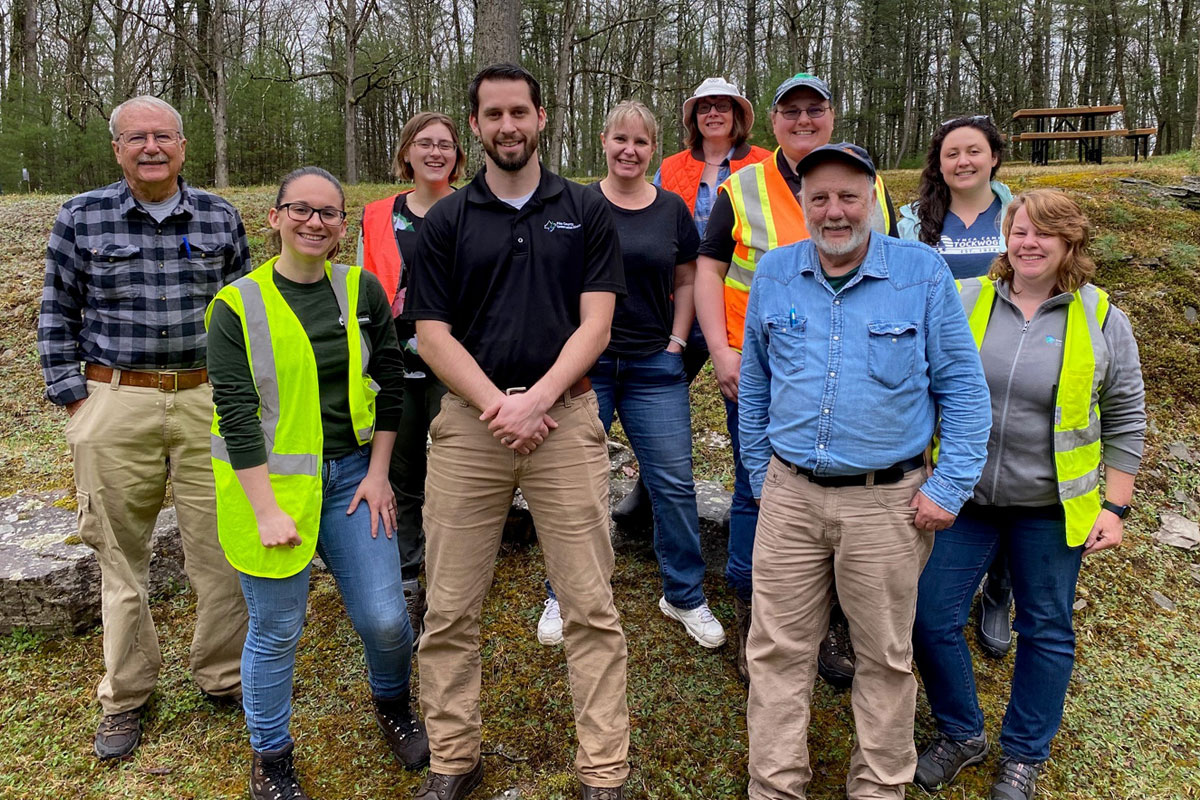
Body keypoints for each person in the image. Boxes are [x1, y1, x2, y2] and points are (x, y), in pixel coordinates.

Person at [738, 143, 991, 800]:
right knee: (775, 653)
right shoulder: (775, 272)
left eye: (848, 196)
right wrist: (760, 469)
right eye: (819, 197)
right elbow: (756, 381)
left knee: (883, 658)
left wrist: (950, 485)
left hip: (887, 505)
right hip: (790, 498)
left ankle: (878, 788)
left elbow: (964, 388)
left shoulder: (920, 274)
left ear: (872, 198)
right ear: (801, 203)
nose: (834, 211)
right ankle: (774, 787)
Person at [405, 63, 631, 800]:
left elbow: (597, 322)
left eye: (519, 112)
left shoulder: (588, 209)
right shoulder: (446, 221)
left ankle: (603, 769)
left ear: (543, 117)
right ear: (475, 125)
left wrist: (539, 399)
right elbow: (431, 335)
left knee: (590, 605)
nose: (508, 126)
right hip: (472, 428)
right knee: (449, 607)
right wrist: (500, 407)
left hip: (564, 422)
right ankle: (452, 758)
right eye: (493, 114)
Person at [911, 190, 1145, 800]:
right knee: (931, 616)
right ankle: (962, 731)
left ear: (1070, 244)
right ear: (1005, 239)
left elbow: (1125, 417)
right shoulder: (967, 300)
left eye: (1044, 233)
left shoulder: (1100, 318)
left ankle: (1023, 756)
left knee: (1046, 629)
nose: (1029, 243)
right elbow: (923, 384)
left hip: (1049, 507)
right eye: (1019, 230)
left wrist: (1115, 508)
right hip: (965, 501)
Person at [207, 166, 429, 800]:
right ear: (274, 217)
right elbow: (237, 414)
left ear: (341, 226)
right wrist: (266, 509)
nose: (315, 222)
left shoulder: (361, 291)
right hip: (269, 490)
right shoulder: (235, 305)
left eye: (329, 213)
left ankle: (392, 702)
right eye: (300, 209)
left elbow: (390, 384)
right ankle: (269, 757)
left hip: (355, 478)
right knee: (277, 629)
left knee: (387, 620)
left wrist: (381, 473)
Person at [38, 94, 249, 760]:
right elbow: (54, 313)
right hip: (114, 398)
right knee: (119, 557)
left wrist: (243, 398)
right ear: (118, 149)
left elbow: (248, 313)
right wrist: (79, 402)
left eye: (163, 136)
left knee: (220, 548)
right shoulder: (81, 216)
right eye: (137, 138)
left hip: (203, 400)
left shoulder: (218, 216)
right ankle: (126, 694)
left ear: (184, 145)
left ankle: (221, 675)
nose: (151, 147)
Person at [694, 72, 898, 685]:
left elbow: (882, 270)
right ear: (773, 122)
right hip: (757, 370)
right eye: (791, 111)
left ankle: (829, 620)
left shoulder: (865, 182)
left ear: (831, 117)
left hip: (840, 373)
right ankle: (757, 611)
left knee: (836, 493)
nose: (803, 121)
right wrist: (721, 351)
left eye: (816, 109)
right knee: (757, 485)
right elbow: (707, 270)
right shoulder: (741, 187)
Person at [535, 101, 724, 650]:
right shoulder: (575, 204)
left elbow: (688, 279)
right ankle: (563, 594)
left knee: (673, 484)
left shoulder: (671, 210)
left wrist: (677, 341)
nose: (629, 151)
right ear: (603, 140)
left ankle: (684, 594)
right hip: (586, 370)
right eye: (621, 139)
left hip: (652, 365)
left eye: (641, 143)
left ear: (652, 149)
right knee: (573, 487)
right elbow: (551, 281)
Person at [613, 77, 772, 528]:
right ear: (693, 118)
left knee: (743, 405)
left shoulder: (762, 164)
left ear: (739, 115)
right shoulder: (672, 165)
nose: (714, 114)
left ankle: (753, 504)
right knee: (660, 398)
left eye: (723, 106)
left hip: (739, 308)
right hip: (678, 302)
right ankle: (650, 485)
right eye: (705, 108)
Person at [899, 113, 1018, 657]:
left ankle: (1000, 588)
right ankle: (940, 576)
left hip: (1009, 364)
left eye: (973, 151)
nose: (963, 162)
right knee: (945, 464)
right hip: (935, 366)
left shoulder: (1019, 217)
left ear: (994, 156)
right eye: (951, 153)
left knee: (1006, 475)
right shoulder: (911, 221)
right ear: (938, 163)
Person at [358, 111, 465, 646]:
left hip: (457, 361)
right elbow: (359, 290)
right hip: (393, 362)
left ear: (457, 156)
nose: (435, 152)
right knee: (399, 471)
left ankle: (449, 578)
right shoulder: (377, 214)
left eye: (446, 144)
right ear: (406, 152)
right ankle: (404, 574)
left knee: (453, 474)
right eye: (425, 143)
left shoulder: (475, 208)